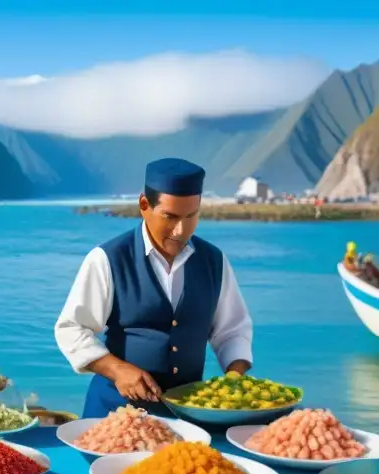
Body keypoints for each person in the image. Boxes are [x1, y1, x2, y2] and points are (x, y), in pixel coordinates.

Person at [55, 157, 253, 418]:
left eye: (191, 216)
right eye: (170, 217)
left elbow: (232, 331)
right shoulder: (107, 258)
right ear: (144, 205)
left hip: (187, 418)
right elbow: (71, 328)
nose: (181, 230)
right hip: (114, 417)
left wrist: (233, 378)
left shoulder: (214, 261)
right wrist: (117, 370)